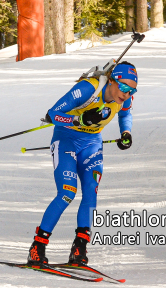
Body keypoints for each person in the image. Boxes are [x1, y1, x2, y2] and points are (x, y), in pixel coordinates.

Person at [27, 62, 137, 266]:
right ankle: (38, 247)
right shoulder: (89, 88)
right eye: (123, 87)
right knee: (67, 192)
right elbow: (53, 114)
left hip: (91, 144)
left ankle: (80, 248)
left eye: (132, 90)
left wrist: (126, 133)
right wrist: (79, 121)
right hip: (66, 139)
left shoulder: (125, 99)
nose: (126, 93)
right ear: (112, 80)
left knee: (90, 191)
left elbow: (125, 114)